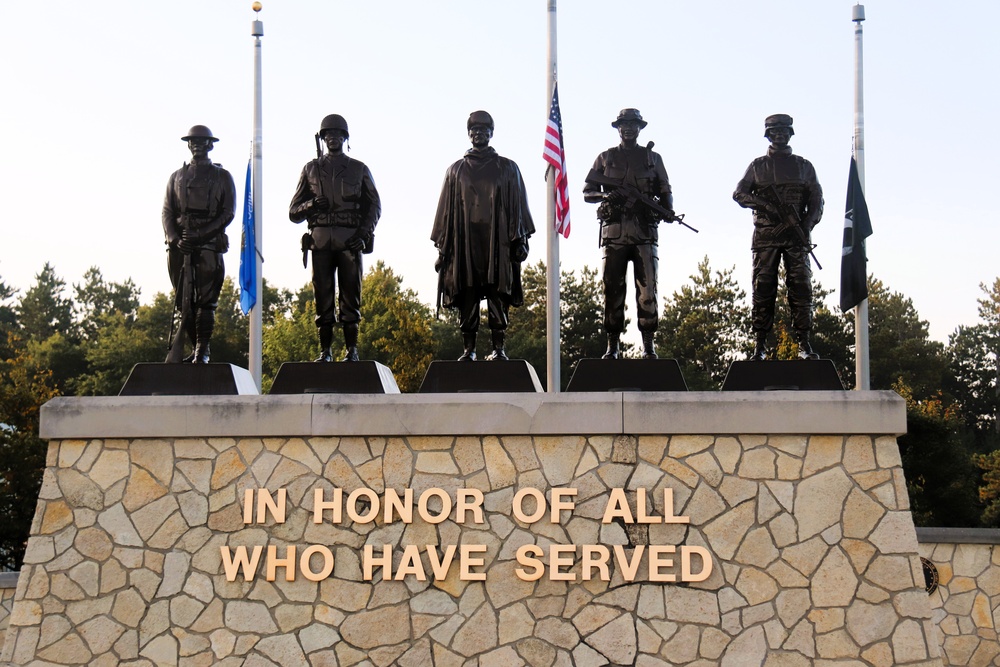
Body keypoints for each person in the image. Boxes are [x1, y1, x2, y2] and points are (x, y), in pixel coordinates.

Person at [432, 110, 534, 361]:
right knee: (468, 292)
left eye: (484, 130)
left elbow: (518, 207)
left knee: (498, 293)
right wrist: (443, 251)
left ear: (491, 133)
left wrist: (520, 240)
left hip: (498, 243)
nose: (479, 134)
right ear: (469, 134)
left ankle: (499, 348)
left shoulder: (507, 168)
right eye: (474, 130)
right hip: (465, 244)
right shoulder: (455, 171)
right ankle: (469, 349)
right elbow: (445, 213)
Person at [289, 114, 381, 362]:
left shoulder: (359, 169)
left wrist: (363, 234)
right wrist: (311, 204)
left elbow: (374, 205)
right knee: (323, 299)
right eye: (328, 134)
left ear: (345, 138)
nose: (332, 138)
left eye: (337, 134)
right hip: (320, 242)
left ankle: (352, 350)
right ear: (323, 138)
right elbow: (293, 212)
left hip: (349, 241)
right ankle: (325, 351)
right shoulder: (310, 169)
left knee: (351, 297)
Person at [583, 108, 673, 359]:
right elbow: (588, 192)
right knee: (612, 290)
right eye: (624, 124)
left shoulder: (653, 158)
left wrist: (667, 210)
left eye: (634, 124)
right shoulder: (605, 158)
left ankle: (648, 344)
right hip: (614, 234)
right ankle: (613, 345)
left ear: (640, 128)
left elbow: (665, 190)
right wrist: (607, 196)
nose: (629, 128)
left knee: (648, 291)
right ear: (618, 128)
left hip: (645, 233)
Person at [733, 114, 824, 361]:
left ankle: (804, 342)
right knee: (763, 287)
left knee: (801, 286)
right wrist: (765, 205)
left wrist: (807, 225)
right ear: (768, 135)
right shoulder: (757, 166)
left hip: (795, 236)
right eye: (775, 131)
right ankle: (760, 344)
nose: (780, 134)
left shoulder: (804, 166)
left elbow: (817, 200)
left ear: (790, 133)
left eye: (784, 130)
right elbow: (739, 194)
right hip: (766, 236)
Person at [162, 125, 236, 363]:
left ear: (210, 145)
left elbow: (228, 213)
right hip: (180, 246)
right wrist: (175, 239)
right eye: (193, 141)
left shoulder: (222, 176)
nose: (197, 145)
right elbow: (167, 212)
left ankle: (202, 350)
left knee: (206, 300)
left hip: (209, 244)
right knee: (184, 301)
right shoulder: (176, 177)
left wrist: (201, 234)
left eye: (202, 141)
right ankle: (195, 347)